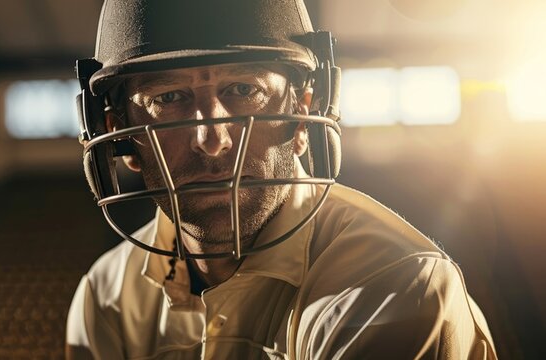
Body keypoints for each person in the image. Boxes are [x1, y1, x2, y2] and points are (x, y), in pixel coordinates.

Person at [67, 0, 496, 358]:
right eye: (169, 98)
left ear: (302, 114)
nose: (211, 139)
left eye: (241, 89)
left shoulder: (392, 286)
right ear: (118, 133)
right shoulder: (107, 296)